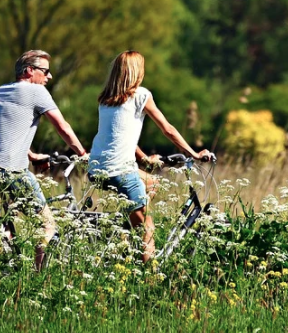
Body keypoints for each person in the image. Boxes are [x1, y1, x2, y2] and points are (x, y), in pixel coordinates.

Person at [88, 50, 211, 263]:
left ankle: (126, 233)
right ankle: (149, 280)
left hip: (97, 166)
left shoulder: (106, 100)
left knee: (151, 182)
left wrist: (144, 158)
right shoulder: (141, 95)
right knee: (148, 228)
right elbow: (168, 129)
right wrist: (194, 154)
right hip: (121, 170)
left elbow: (118, 136)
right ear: (137, 72)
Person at [0, 50, 87, 270]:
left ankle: (7, 264)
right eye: (45, 71)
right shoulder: (36, 91)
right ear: (29, 71)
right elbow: (62, 126)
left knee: (8, 219)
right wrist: (82, 153)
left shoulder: (0, 91)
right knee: (47, 225)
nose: (49, 77)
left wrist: (32, 156)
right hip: (8, 169)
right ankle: (37, 279)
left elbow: (4, 133)